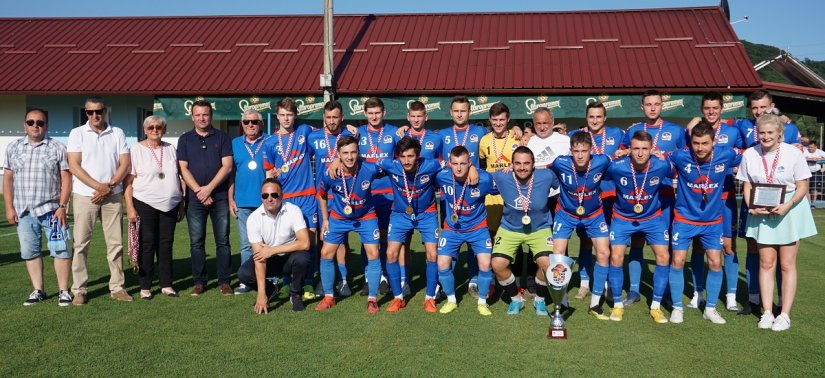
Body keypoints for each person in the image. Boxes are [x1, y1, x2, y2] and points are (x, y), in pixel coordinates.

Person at [736, 114, 817, 331]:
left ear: (780, 133)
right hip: (761, 212)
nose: (766, 137)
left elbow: (802, 186)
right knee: (766, 263)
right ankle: (767, 312)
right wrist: (751, 206)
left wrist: (788, 205)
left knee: (786, 264)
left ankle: (785, 314)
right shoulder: (750, 154)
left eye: (770, 132)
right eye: (762, 133)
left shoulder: (793, 153)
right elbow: (747, 186)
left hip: (789, 211)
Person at [733, 91, 801, 315]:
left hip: (785, 201)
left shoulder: (788, 129)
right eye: (754, 108)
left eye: (763, 107)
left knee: (784, 257)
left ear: (772, 106)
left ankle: (781, 304)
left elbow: (798, 173)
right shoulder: (742, 126)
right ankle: (754, 300)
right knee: (755, 250)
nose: (759, 111)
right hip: (756, 199)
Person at [667, 122, 741, 324]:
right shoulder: (681, 156)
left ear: (713, 142)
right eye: (696, 143)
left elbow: (751, 154)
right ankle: (676, 307)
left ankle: (710, 308)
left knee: (716, 262)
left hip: (712, 221)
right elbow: (660, 156)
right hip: (684, 219)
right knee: (678, 260)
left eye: (705, 143)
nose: (700, 148)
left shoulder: (726, 155)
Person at [618, 90, 685, 306]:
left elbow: (684, 158)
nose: (653, 108)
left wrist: (664, 158)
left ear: (662, 106)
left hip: (664, 196)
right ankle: (635, 290)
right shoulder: (633, 130)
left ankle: (662, 291)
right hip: (639, 197)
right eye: (648, 104)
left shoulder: (675, 131)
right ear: (642, 107)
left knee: (664, 248)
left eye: (657, 104)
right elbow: (620, 154)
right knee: (636, 241)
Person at [4, 108, 73, 306]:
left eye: (40, 122)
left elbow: (66, 179)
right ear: (24, 125)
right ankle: (39, 290)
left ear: (47, 125)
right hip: (24, 212)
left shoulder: (57, 148)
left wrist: (62, 206)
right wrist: (9, 207)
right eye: (31, 122)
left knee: (61, 250)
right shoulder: (13, 147)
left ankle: (63, 291)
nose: (36, 126)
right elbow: (8, 180)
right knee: (30, 252)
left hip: (52, 211)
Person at [67, 96, 132, 304]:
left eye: (99, 111)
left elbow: (125, 163)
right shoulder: (77, 133)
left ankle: (117, 287)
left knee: (115, 244)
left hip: (112, 195)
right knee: (81, 244)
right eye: (90, 112)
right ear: (85, 113)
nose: (95, 115)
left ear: (105, 111)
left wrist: (110, 186)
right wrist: (99, 187)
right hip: (86, 195)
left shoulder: (118, 132)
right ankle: (79, 290)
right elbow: (74, 165)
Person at [685, 93, 745, 311]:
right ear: (702, 109)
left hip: (724, 195)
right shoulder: (695, 131)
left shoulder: (732, 131)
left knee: (728, 247)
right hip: (699, 196)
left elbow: (746, 153)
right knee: (699, 245)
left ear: (722, 109)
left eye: (715, 108)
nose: (711, 112)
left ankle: (730, 295)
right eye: (707, 108)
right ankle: (697, 292)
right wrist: (687, 129)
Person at [606, 131, 674, 323]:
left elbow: (678, 169)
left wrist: (665, 156)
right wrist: (614, 155)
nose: (640, 153)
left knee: (663, 256)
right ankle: (618, 305)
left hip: (652, 217)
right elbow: (598, 170)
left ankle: (656, 306)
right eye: (636, 148)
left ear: (652, 149)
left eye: (645, 149)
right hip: (622, 217)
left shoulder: (661, 165)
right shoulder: (618, 166)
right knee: (616, 256)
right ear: (629, 150)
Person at [315, 136, 384, 313]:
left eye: (353, 152)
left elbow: (390, 164)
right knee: (326, 252)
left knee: (374, 253)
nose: (350, 157)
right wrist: (324, 220)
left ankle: (372, 299)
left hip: (365, 217)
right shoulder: (330, 172)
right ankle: (329, 296)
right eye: (345, 153)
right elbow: (321, 195)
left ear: (359, 153)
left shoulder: (369, 168)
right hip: (339, 218)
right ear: (338, 154)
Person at [491, 147, 561, 316]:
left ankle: (540, 299)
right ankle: (516, 299)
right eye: (518, 163)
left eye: (526, 163)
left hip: (539, 228)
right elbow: (480, 176)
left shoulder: (546, 176)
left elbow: (563, 185)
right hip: (509, 228)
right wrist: (471, 168)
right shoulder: (502, 176)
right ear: (511, 165)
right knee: (497, 264)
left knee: (548, 265)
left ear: (534, 164)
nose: (522, 167)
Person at [548, 132, 611, 319]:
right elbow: (540, 168)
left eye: (584, 151)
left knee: (604, 253)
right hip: (566, 214)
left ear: (591, 150)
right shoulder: (561, 162)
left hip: (594, 215)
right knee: (557, 255)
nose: (580, 155)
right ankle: (563, 303)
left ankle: (595, 304)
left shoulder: (602, 161)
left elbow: (624, 163)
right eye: (576, 151)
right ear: (571, 151)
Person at [262, 98, 320, 299]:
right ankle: (287, 281)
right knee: (286, 241)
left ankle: (309, 282)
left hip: (307, 196)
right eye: (283, 115)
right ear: (277, 116)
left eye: (290, 114)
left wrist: (349, 129)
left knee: (310, 242)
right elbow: (268, 174)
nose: (286, 118)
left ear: (295, 115)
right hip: (285, 200)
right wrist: (273, 177)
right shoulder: (269, 142)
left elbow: (327, 135)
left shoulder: (305, 131)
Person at [378, 137, 443, 312]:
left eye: (410, 156)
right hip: (400, 214)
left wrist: (473, 168)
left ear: (418, 156)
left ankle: (430, 298)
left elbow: (455, 163)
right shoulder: (391, 165)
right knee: (391, 253)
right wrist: (337, 161)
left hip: (426, 214)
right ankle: (398, 298)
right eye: (403, 156)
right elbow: (365, 163)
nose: (406, 161)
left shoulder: (431, 165)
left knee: (432, 254)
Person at [568, 102, 625, 299]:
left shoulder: (617, 134)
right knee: (585, 241)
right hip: (585, 195)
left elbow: (634, 146)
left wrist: (624, 152)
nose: (595, 120)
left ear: (605, 118)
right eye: (591, 117)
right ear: (586, 118)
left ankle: (607, 282)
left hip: (611, 194)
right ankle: (584, 283)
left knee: (606, 241)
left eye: (599, 116)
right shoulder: (576, 135)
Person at [177, 100, 234, 296]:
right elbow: (183, 168)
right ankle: (200, 281)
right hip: (195, 199)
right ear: (192, 117)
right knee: (196, 242)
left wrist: (208, 189)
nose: (202, 118)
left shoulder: (223, 137)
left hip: (218, 197)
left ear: (211, 116)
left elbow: (227, 166)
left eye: (205, 114)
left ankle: (225, 281)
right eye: (198, 115)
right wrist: (199, 192)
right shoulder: (184, 139)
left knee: (223, 241)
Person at [124, 115, 183, 299]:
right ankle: (145, 286)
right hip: (144, 202)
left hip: (171, 204)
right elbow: (128, 181)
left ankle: (166, 284)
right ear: (145, 130)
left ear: (164, 130)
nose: (155, 130)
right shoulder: (136, 149)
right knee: (147, 244)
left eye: (159, 127)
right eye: (151, 127)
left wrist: (181, 202)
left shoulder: (171, 149)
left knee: (166, 245)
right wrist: (130, 208)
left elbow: (179, 178)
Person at [435, 146, 496, 315]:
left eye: (463, 163)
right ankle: (451, 300)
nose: (459, 167)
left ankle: (483, 302)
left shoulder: (483, 179)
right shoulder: (442, 177)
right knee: (442, 264)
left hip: (478, 228)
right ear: (449, 164)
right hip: (452, 229)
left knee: (485, 263)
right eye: (455, 163)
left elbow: (503, 185)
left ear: (470, 162)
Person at [437, 96, 489, 297]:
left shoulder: (480, 132)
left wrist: (519, 132)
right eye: (456, 111)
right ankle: (448, 281)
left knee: (475, 241)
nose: (460, 114)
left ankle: (474, 281)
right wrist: (402, 130)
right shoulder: (441, 135)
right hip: (451, 194)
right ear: (450, 113)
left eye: (463, 111)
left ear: (470, 112)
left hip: (473, 190)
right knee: (452, 236)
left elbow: (498, 140)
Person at [238, 178, 311, 314]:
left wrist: (272, 250)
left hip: (290, 257)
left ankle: (296, 294)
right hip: (269, 260)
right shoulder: (253, 219)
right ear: (261, 197)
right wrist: (261, 293)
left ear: (281, 196)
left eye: (274, 195)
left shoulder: (293, 210)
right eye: (265, 195)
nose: (269, 199)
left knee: (303, 257)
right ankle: (270, 290)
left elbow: (305, 243)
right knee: (244, 273)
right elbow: (260, 258)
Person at [354, 97, 400, 296]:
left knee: (385, 237)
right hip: (365, 193)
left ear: (384, 113)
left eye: (377, 112)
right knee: (367, 238)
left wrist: (405, 129)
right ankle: (369, 277)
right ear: (365, 114)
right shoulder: (357, 133)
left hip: (389, 193)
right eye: (370, 113)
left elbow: (407, 153)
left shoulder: (394, 132)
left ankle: (387, 277)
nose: (374, 116)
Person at [523, 107, 569, 298]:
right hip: (536, 199)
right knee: (537, 240)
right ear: (533, 124)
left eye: (546, 122)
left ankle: (558, 281)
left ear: (553, 122)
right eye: (538, 123)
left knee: (558, 241)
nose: (542, 127)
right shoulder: (528, 142)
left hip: (560, 197)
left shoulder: (565, 140)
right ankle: (536, 279)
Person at [307, 101, 352, 296]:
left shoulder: (350, 136)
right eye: (328, 117)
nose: (332, 121)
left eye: (335, 117)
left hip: (344, 196)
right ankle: (325, 280)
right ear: (323, 118)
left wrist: (338, 159)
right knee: (323, 237)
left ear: (342, 117)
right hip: (322, 197)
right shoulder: (313, 136)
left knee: (341, 239)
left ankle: (343, 280)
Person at [228, 109, 267, 295]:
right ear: (241, 124)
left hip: (267, 202)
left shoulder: (269, 141)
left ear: (261, 124)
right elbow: (231, 175)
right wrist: (230, 199)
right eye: (246, 122)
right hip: (242, 202)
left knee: (268, 243)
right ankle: (246, 280)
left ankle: (268, 277)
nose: (250, 125)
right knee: (246, 244)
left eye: (254, 121)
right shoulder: (234, 144)